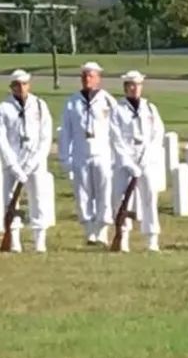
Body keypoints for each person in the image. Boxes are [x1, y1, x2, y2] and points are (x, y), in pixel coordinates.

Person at [59, 61, 121, 246]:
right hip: (80, 152)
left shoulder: (108, 100)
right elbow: (66, 131)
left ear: (98, 79)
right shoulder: (72, 101)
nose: (87, 79)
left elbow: (116, 130)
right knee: (83, 192)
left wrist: (117, 156)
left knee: (104, 192)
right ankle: (89, 230)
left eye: (91, 76)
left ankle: (102, 229)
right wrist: (65, 156)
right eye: (84, 76)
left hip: (102, 152)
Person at [0, 69, 54, 253]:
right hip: (13, 160)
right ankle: (14, 240)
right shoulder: (3, 107)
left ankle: (39, 240)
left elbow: (45, 136)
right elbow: (1, 138)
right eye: (17, 85)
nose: (21, 88)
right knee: (11, 201)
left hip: (35, 160)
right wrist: (12, 164)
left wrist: (34, 161)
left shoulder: (40, 105)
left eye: (25, 84)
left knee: (38, 198)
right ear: (11, 87)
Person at [111, 70, 165, 252]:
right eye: (131, 85)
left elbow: (157, 134)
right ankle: (123, 237)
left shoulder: (150, 108)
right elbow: (115, 137)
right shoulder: (117, 110)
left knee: (150, 196)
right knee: (122, 199)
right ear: (126, 88)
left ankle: (152, 238)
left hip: (146, 159)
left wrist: (146, 157)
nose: (135, 89)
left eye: (138, 85)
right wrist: (129, 162)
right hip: (125, 161)